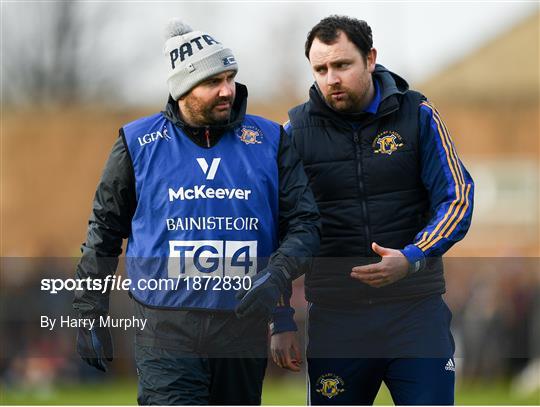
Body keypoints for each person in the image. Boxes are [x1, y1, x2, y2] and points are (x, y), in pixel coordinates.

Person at [73, 19, 320, 405]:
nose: (228, 90)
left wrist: (276, 277)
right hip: (164, 325)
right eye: (212, 82)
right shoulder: (137, 143)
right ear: (182, 88)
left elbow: (305, 225)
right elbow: (103, 231)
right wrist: (89, 311)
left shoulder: (271, 140)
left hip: (242, 326)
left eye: (230, 77)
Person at [272, 15, 474, 405]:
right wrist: (281, 318)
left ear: (370, 59)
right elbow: (279, 230)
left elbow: (458, 196)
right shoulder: (293, 134)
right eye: (321, 69)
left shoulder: (418, 115)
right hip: (337, 319)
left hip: (415, 312)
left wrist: (412, 257)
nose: (332, 78)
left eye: (342, 65)